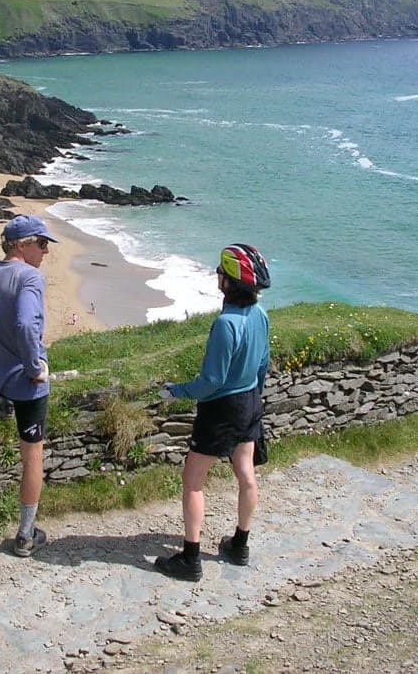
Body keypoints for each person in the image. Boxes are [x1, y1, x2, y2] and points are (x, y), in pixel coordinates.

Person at [155, 244, 271, 581]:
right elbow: (262, 364)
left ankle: (190, 560)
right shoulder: (261, 316)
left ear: (229, 283)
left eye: (220, 272)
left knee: (192, 482)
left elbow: (211, 381)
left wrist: (176, 391)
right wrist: (254, 400)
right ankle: (239, 545)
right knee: (246, 473)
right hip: (250, 400)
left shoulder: (225, 324)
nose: (217, 276)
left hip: (222, 408)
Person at [0, 214, 58, 557]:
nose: (46, 251)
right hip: (24, 382)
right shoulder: (30, 277)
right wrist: (35, 367)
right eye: (42, 243)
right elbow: (25, 325)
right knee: (32, 456)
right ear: (21, 245)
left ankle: (1, 402)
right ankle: (25, 535)